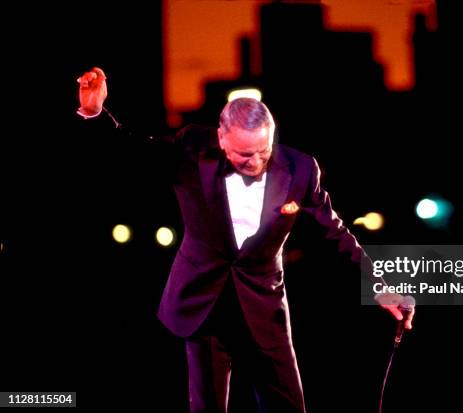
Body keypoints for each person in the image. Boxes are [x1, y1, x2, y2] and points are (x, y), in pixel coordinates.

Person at [77, 67, 414, 413]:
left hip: (264, 304)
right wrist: (95, 113)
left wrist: (382, 287)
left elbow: (335, 233)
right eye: (243, 154)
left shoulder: (300, 168)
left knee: (288, 406)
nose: (255, 162)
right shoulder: (192, 148)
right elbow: (132, 152)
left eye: (263, 152)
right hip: (202, 303)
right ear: (222, 138)